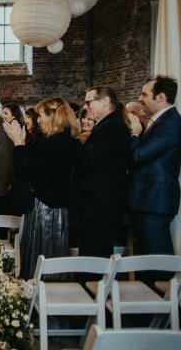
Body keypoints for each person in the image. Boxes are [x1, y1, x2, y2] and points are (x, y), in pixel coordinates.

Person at [3, 98, 81, 279]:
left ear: (54, 115)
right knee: (53, 253)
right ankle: (51, 294)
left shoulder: (54, 143)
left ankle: (39, 295)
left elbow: (24, 171)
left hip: (46, 208)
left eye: (40, 116)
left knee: (41, 255)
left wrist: (18, 144)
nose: (38, 121)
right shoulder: (69, 140)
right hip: (59, 207)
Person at [127, 76, 181, 279]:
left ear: (161, 97)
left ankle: (164, 306)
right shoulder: (158, 122)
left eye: (144, 94)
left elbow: (138, 156)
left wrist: (134, 135)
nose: (140, 98)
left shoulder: (171, 124)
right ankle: (146, 305)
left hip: (155, 201)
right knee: (146, 260)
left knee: (157, 260)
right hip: (147, 200)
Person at [76, 86, 130, 259]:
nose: (85, 107)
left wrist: (71, 142)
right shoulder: (107, 125)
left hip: (101, 205)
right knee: (90, 254)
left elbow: (88, 160)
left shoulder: (113, 126)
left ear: (106, 101)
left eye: (89, 102)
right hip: (96, 204)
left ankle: (94, 286)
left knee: (95, 257)